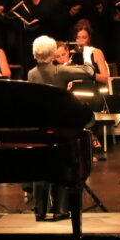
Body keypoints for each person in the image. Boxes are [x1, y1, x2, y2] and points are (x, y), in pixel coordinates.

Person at [27, 36, 94, 220]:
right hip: (60, 127)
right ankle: (60, 210)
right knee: (61, 165)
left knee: (41, 168)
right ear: (52, 54)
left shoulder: (31, 74)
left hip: (40, 127)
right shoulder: (59, 71)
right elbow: (89, 72)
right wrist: (87, 55)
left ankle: (40, 211)